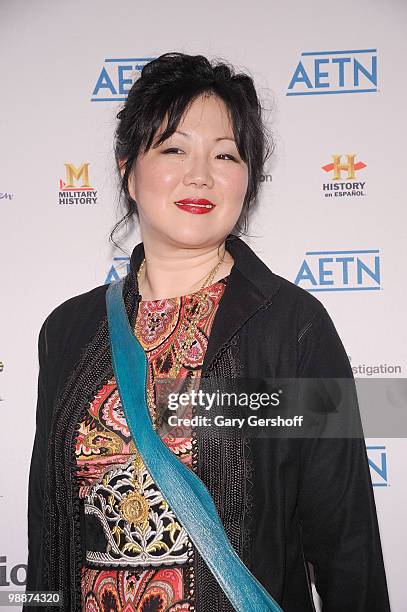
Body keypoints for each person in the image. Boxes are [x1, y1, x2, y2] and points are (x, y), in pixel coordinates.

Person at [24, 52, 391, 611]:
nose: (201, 174)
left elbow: (345, 537)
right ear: (128, 167)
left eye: (226, 154)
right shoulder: (68, 331)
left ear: (248, 178)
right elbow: (48, 529)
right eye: (174, 148)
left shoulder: (292, 328)